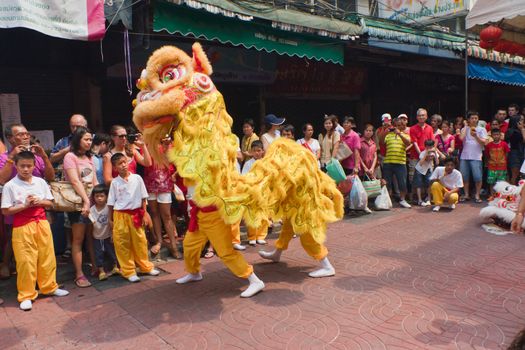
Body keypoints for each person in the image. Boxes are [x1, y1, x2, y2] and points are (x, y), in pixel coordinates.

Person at [1, 151, 69, 311]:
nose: (25, 169)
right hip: (22, 226)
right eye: (22, 166)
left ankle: (49, 286)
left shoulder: (40, 182)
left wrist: (39, 201)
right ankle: (26, 294)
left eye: (29, 166)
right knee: (25, 261)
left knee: (47, 256)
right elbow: (5, 210)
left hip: (42, 223)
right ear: (15, 166)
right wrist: (25, 205)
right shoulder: (10, 185)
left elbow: (50, 203)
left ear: (34, 165)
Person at [0, 124, 55, 279]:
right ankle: (8, 265)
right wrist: (11, 159)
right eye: (20, 134)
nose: (25, 137)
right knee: (14, 239)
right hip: (16, 208)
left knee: (42, 244)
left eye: (26, 134)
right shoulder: (4, 158)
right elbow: (2, 180)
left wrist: (44, 156)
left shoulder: (35, 157)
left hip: (39, 209)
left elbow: (50, 177)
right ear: (10, 138)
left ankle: (42, 277)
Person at [107, 153, 160, 282]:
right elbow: (111, 202)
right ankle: (128, 271)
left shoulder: (137, 178)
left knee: (140, 241)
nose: (124, 165)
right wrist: (110, 219)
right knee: (122, 243)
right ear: (115, 168)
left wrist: (144, 213)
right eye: (120, 163)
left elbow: (143, 197)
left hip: (136, 213)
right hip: (120, 215)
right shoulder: (114, 182)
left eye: (125, 162)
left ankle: (145, 267)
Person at [63, 127, 98, 288]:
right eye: (86, 139)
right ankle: (79, 274)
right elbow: (75, 181)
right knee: (78, 239)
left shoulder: (90, 157)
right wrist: (86, 201)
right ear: (78, 140)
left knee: (91, 235)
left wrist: (97, 201)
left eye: (91, 140)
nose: (89, 142)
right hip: (78, 204)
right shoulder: (70, 156)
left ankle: (95, 267)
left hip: (91, 202)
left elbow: (95, 181)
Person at [144, 135, 180, 259]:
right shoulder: (146, 143)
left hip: (164, 182)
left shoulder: (169, 144)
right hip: (150, 181)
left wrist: (166, 146)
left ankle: (173, 244)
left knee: (166, 215)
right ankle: (159, 240)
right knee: (154, 212)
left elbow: (176, 162)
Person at [88, 184, 119, 281]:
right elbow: (92, 221)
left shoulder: (109, 208)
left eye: (102, 196)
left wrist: (113, 234)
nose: (99, 198)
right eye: (97, 196)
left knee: (112, 252)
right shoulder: (91, 210)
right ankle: (101, 271)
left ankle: (115, 267)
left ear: (107, 197)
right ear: (93, 197)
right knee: (99, 254)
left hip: (108, 235)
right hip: (97, 237)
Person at [241, 140, 268, 246]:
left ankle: (261, 236)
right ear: (251, 152)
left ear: (262, 151)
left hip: (263, 192)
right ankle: (252, 236)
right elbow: (244, 177)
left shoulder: (266, 163)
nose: (257, 153)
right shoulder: (248, 163)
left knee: (264, 214)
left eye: (259, 150)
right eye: (255, 151)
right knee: (251, 215)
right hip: (252, 192)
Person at [459, 111, 488, 202]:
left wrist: (476, 136)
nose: (474, 120)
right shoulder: (464, 128)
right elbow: (461, 138)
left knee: (478, 177)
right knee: (464, 176)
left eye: (476, 118)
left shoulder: (482, 129)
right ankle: (466, 194)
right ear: (468, 119)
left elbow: (484, 143)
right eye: (472, 118)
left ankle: (477, 195)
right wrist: (465, 127)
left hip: (476, 156)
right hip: (464, 156)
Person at [383, 118, 412, 208]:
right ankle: (387, 200)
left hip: (400, 163)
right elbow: (380, 141)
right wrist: (384, 130)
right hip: (388, 162)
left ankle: (402, 200)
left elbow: (408, 143)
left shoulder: (406, 135)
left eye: (400, 125)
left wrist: (399, 134)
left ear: (403, 126)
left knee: (402, 183)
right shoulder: (388, 135)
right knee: (387, 183)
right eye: (396, 125)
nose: (398, 127)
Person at [409, 108, 435, 197]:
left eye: (423, 115)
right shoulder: (412, 128)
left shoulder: (430, 128)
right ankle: (414, 197)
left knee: (427, 177)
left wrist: (429, 155)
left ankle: (426, 196)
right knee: (414, 177)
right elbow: (414, 143)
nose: (421, 117)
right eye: (419, 115)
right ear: (417, 117)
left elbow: (432, 142)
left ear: (426, 116)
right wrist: (422, 155)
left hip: (428, 157)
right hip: (416, 157)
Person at [485, 129, 510, 196]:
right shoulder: (488, 145)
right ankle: (492, 195)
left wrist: (503, 162)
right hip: (491, 167)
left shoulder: (504, 144)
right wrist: (488, 163)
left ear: (500, 135)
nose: (496, 136)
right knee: (491, 182)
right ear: (492, 136)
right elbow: (487, 155)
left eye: (497, 134)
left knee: (501, 183)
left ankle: (501, 196)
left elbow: (507, 154)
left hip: (502, 167)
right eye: (494, 135)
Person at [414, 140, 439, 206]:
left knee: (429, 184)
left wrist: (435, 153)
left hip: (428, 169)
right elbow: (421, 163)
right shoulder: (423, 153)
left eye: (431, 147)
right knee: (418, 184)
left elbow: (437, 163)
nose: (429, 148)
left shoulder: (434, 152)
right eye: (428, 147)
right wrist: (426, 153)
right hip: (419, 170)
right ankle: (419, 200)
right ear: (425, 147)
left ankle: (429, 199)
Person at [505, 115, 525, 185]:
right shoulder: (512, 132)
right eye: (521, 120)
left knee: (522, 175)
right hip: (515, 154)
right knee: (515, 174)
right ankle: (512, 192)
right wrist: (522, 129)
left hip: (522, 153)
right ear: (517, 122)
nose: (523, 121)